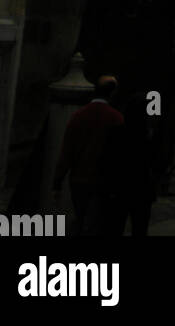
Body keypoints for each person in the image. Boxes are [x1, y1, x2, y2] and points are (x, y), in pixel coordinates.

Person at [52, 75, 124, 235]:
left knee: (81, 215)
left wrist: (57, 181)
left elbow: (67, 151)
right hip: (103, 180)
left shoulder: (78, 116)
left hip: (79, 178)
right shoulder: (116, 118)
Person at [101, 91, 159, 236]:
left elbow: (107, 160)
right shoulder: (148, 136)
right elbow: (156, 162)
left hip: (120, 187)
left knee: (116, 226)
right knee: (139, 228)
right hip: (142, 188)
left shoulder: (116, 133)